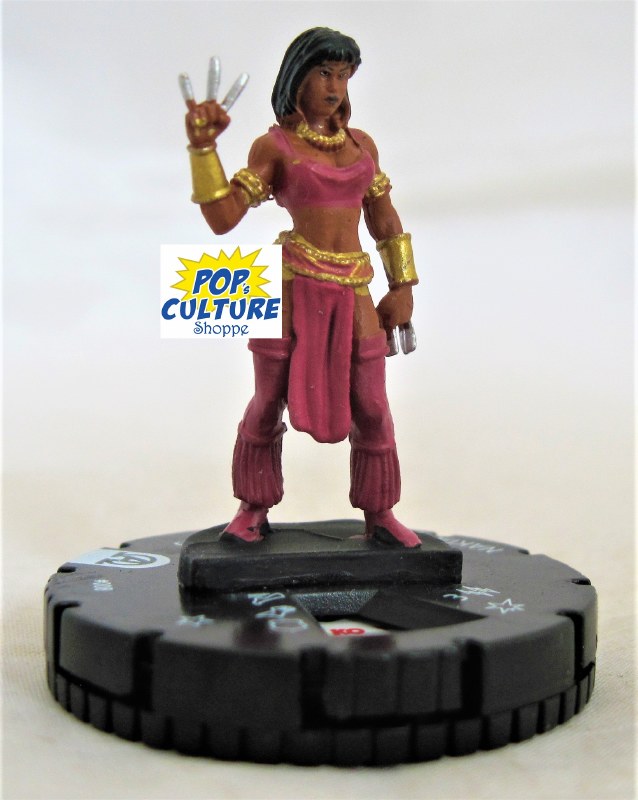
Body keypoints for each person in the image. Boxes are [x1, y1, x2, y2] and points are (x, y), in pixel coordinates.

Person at [183, 27, 421, 547]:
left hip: (354, 288)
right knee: (267, 400)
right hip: (288, 287)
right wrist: (203, 150)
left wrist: (403, 285)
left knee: (372, 405)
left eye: (343, 76)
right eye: (323, 73)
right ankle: (252, 506)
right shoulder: (276, 147)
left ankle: (380, 512)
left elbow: (385, 221)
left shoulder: (362, 146)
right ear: (297, 78)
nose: (334, 87)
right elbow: (223, 217)